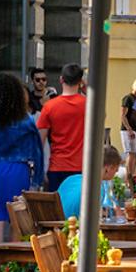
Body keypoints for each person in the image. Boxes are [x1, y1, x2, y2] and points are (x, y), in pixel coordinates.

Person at [0, 72, 44, 246]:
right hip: (18, 171)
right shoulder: (26, 120)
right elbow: (37, 152)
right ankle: (12, 264)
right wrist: (36, 182)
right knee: (17, 219)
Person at [36, 63, 87, 191]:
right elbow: (101, 117)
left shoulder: (49, 106)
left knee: (56, 209)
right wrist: (87, 91)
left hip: (57, 167)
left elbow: (39, 143)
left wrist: (40, 171)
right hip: (82, 167)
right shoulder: (89, 105)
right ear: (81, 82)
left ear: (61, 79)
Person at [59, 144, 122, 220]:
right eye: (115, 170)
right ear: (108, 168)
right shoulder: (96, 187)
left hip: (59, 227)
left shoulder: (70, 180)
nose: (116, 172)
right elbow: (115, 214)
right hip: (79, 229)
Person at [119, 81, 136, 166]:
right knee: (130, 154)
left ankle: (133, 176)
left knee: (135, 155)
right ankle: (129, 177)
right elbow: (122, 115)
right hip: (128, 130)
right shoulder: (128, 98)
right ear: (133, 86)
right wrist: (129, 129)